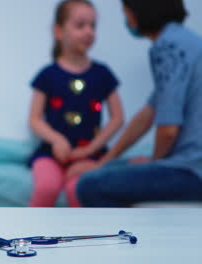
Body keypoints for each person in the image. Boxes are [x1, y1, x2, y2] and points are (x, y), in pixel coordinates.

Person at [77, 0, 202, 207]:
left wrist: (154, 161)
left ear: (136, 14)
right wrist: (104, 161)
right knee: (108, 169)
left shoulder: (168, 47)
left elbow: (168, 129)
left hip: (191, 171)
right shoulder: (188, 42)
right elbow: (147, 115)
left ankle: (130, 238)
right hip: (191, 167)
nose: (127, 20)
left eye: (126, 13)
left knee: (88, 185)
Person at [28, 0, 124, 207]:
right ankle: (27, 237)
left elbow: (118, 118)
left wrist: (90, 150)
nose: (89, 31)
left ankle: (80, 238)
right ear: (59, 31)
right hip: (51, 154)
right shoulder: (47, 75)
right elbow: (34, 119)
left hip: (90, 154)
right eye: (80, 25)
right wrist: (56, 140)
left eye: (93, 26)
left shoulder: (102, 74)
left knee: (78, 190)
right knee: (47, 187)